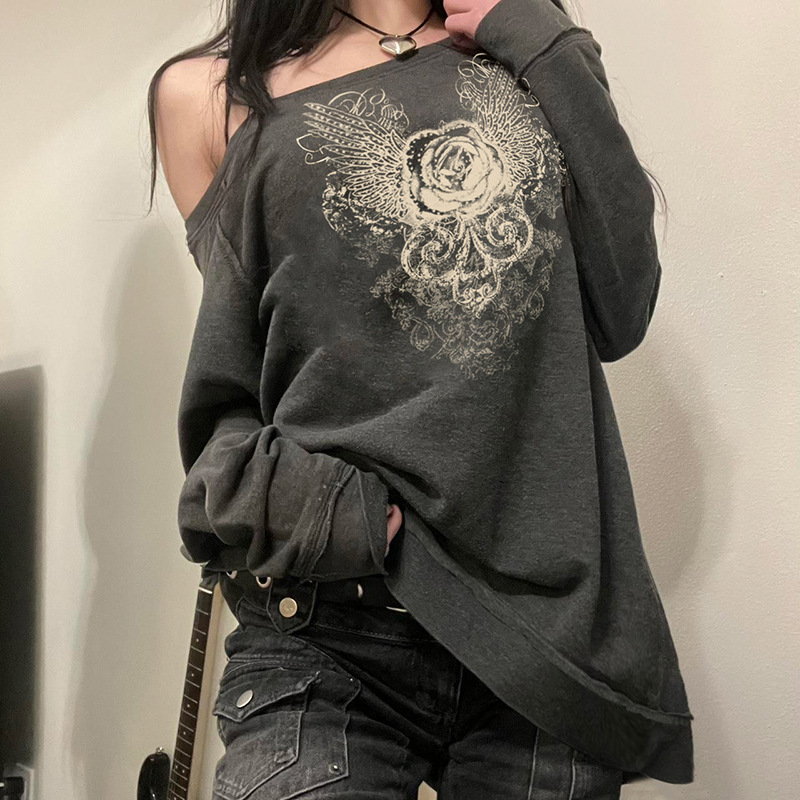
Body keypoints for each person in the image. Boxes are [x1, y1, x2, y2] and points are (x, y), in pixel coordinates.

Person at [147, 0, 695, 796]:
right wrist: (323, 511)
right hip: (326, 619)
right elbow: (246, 357)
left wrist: (541, 38)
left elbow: (622, 305)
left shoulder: (524, 44)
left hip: (544, 634)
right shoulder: (208, 95)